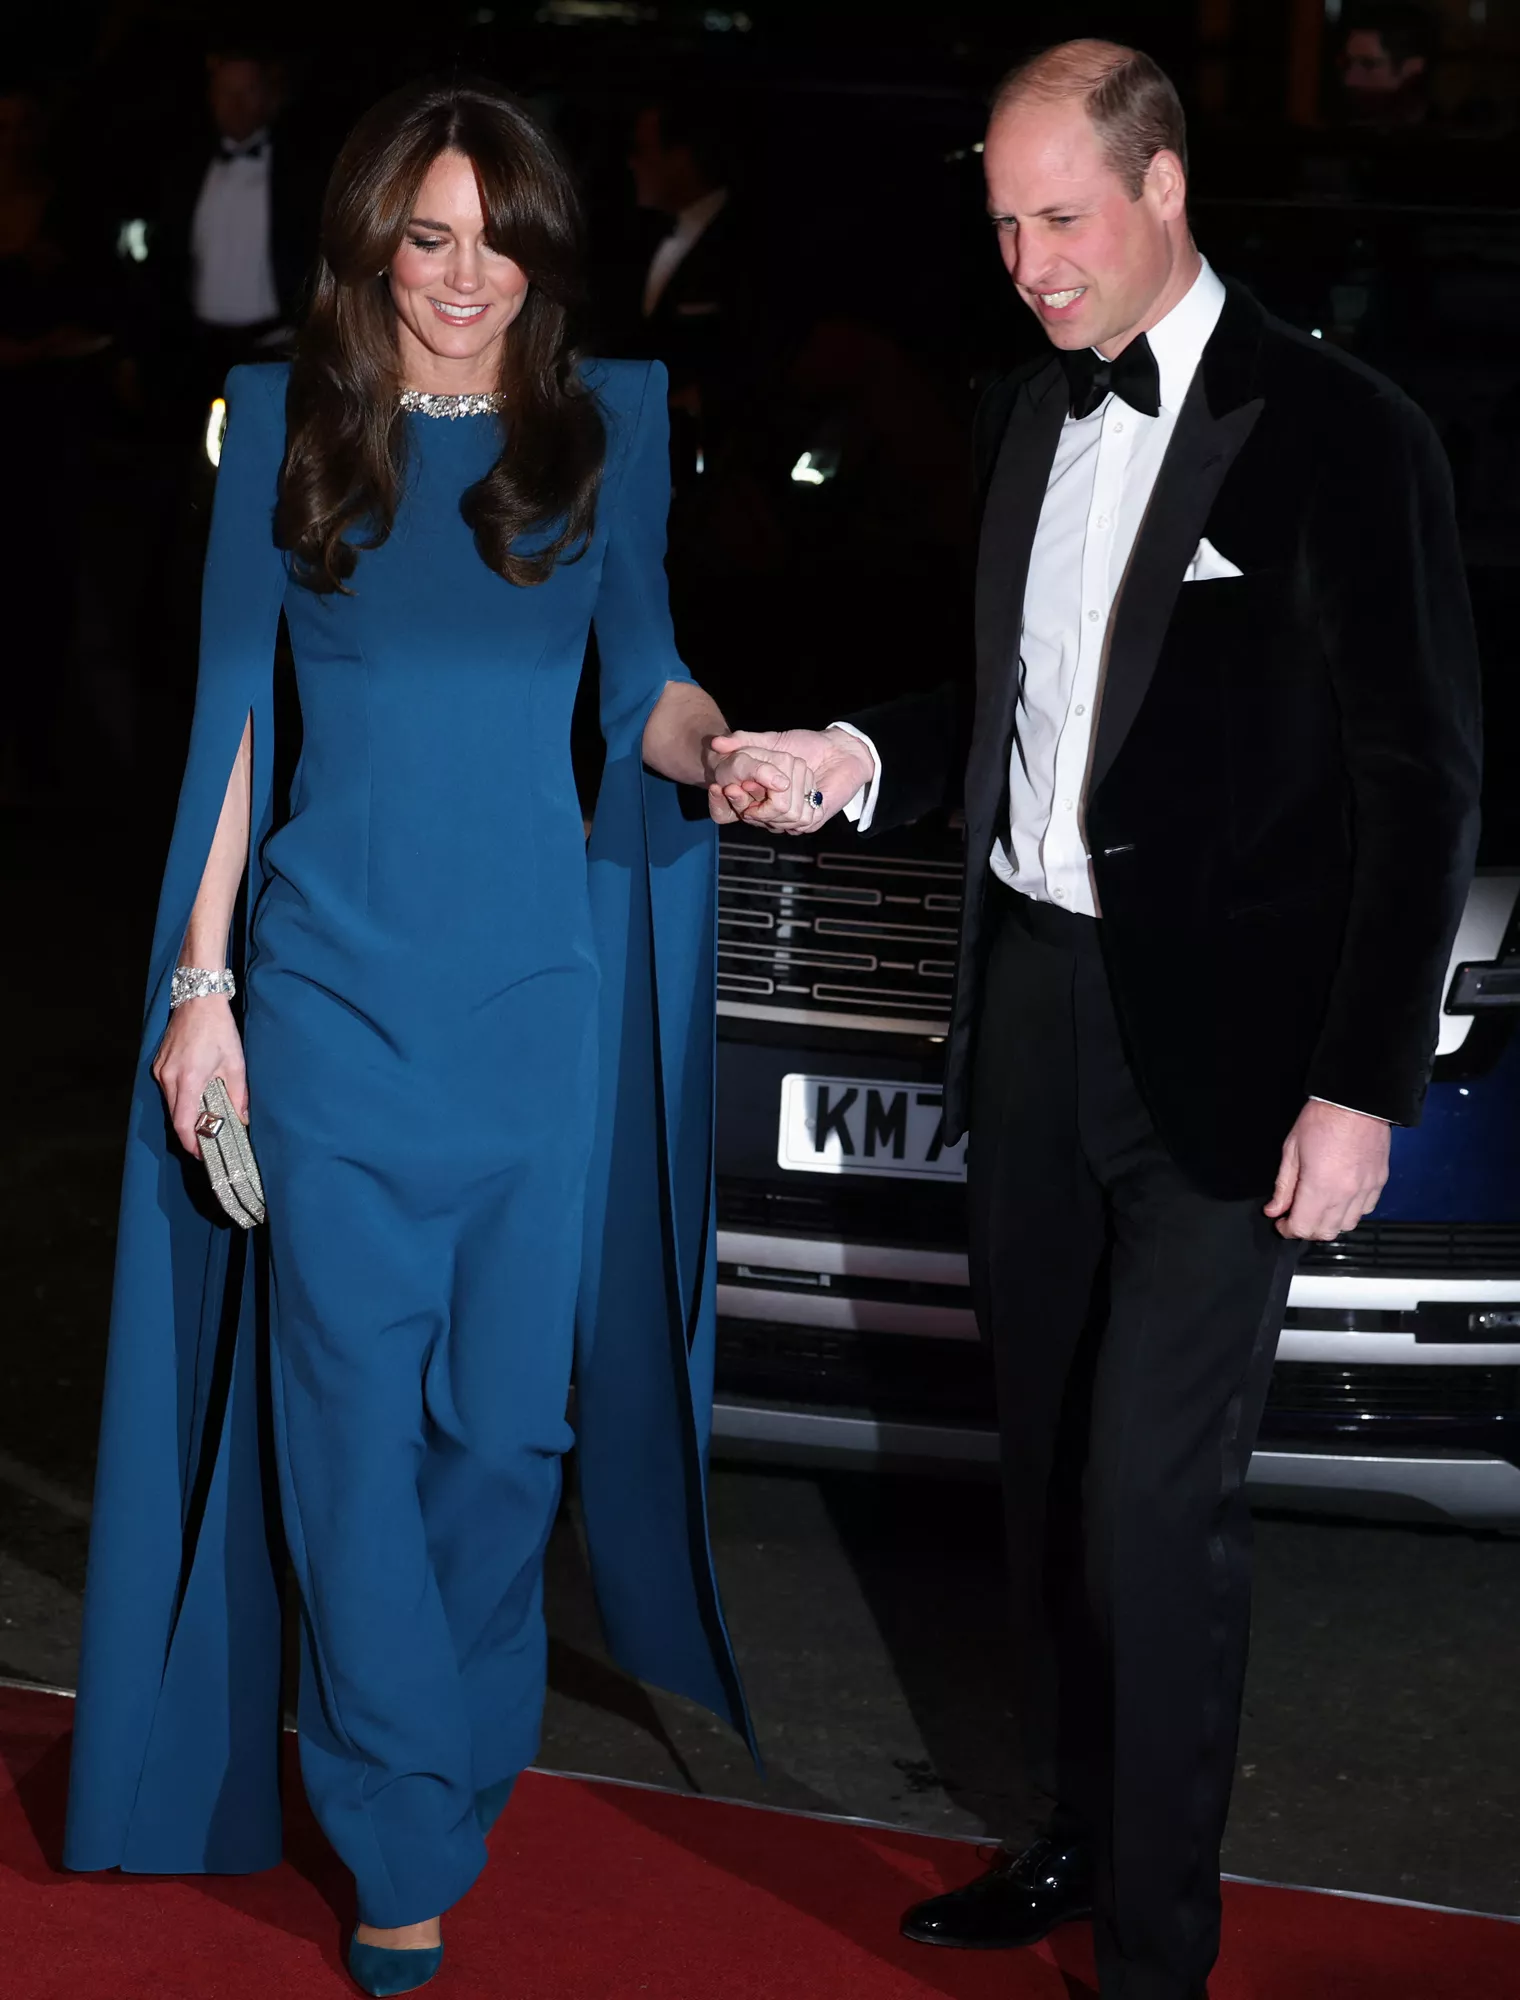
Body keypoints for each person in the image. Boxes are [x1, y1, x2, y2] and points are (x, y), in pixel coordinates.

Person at [712, 40, 1481, 2000]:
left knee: (1155, 1498)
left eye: (1062, 221)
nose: (1033, 265)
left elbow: (1419, 780)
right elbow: (1013, 710)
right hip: (1036, 1005)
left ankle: (1156, 1948)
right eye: (1004, 229)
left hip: (1235, 1055)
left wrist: (1360, 1085)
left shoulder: (1340, 430)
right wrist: (856, 758)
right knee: (1048, 1475)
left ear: (1161, 188)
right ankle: (1068, 1829)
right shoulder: (1018, 420)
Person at [62, 75, 817, 1997]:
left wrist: (719, 748)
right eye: (429, 235)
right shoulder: (287, 437)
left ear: (541, 256)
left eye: (499, 239)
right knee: (344, 1422)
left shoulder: (601, 437)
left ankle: (445, 1753)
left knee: (507, 1434)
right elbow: (237, 725)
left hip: (533, 1013)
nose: (466, 275)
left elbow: (643, 682)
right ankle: (400, 1819)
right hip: (326, 1000)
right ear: (373, 247)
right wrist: (201, 988)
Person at [149, 40, 322, 414]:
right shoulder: (184, 170)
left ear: (271, 97)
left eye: (249, 91)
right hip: (195, 349)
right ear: (211, 97)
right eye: (227, 92)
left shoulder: (302, 173)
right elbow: (164, 256)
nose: (237, 103)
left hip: (276, 347)